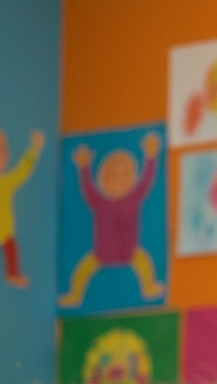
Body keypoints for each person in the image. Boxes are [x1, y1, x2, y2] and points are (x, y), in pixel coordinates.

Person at [59, 132, 166, 309]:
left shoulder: (133, 196)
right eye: (112, 175)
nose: (118, 179)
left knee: (144, 264)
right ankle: (74, 295)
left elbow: (146, 180)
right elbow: (87, 188)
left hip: (130, 252)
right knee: (82, 272)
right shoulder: (99, 201)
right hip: (100, 253)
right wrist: (84, 166)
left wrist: (151, 155)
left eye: (124, 174)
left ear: (133, 178)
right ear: (102, 179)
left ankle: (149, 288)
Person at [0, 125, 44, 288]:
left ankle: (12, 273)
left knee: (11, 247)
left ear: (6, 157)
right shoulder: (5, 182)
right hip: (1, 230)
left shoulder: (6, 182)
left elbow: (22, 171)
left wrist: (34, 149)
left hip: (2, 230)